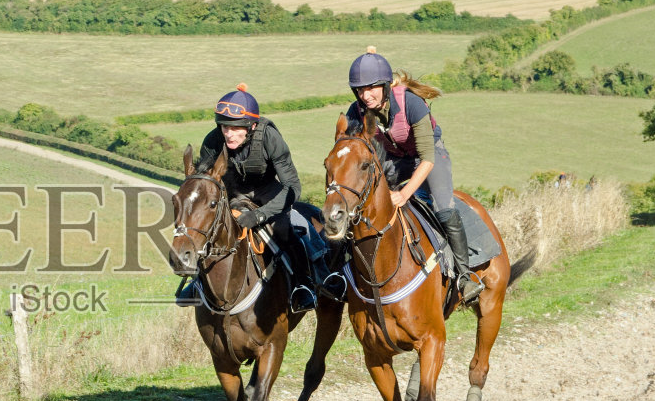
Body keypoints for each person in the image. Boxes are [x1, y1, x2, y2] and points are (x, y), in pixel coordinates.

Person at [342, 48, 483, 302]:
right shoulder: (357, 112)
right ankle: (342, 275)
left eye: (372, 88)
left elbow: (426, 159)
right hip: (394, 160)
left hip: (428, 157)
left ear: (385, 86)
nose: (366, 95)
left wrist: (404, 194)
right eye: (360, 90)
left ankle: (464, 276)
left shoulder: (412, 104)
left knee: (443, 208)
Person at [193, 84, 338, 312]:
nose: (228, 133)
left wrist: (260, 215)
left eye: (235, 127)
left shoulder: (269, 137)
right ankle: (195, 282)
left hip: (267, 189)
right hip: (232, 192)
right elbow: (203, 185)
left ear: (250, 126)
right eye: (224, 127)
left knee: (284, 228)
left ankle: (302, 284)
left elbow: (293, 187)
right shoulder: (212, 142)